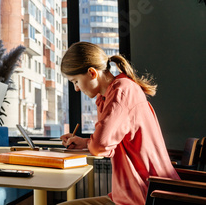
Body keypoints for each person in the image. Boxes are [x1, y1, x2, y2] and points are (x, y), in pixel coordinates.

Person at [58, 42, 178, 205]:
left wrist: (92, 143)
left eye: (76, 81)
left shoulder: (121, 92)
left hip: (145, 196)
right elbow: (104, 142)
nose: (76, 89)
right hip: (130, 195)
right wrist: (85, 142)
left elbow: (100, 146)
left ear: (92, 73)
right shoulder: (109, 95)